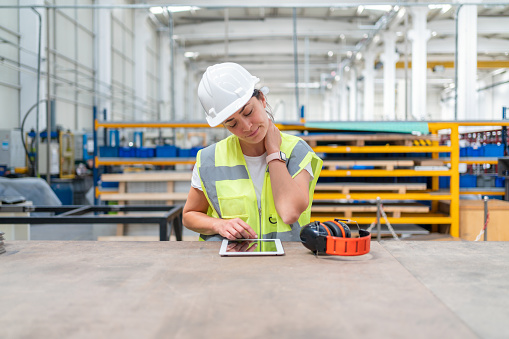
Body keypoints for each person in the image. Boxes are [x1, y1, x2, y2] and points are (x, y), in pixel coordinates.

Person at [183, 62, 323, 241]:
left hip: (287, 263)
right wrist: (218, 224)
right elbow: (190, 214)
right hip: (231, 264)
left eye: (248, 112)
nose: (247, 127)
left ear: (262, 100)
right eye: (232, 123)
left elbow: (289, 213)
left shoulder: (296, 151)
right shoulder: (210, 159)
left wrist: (274, 154)